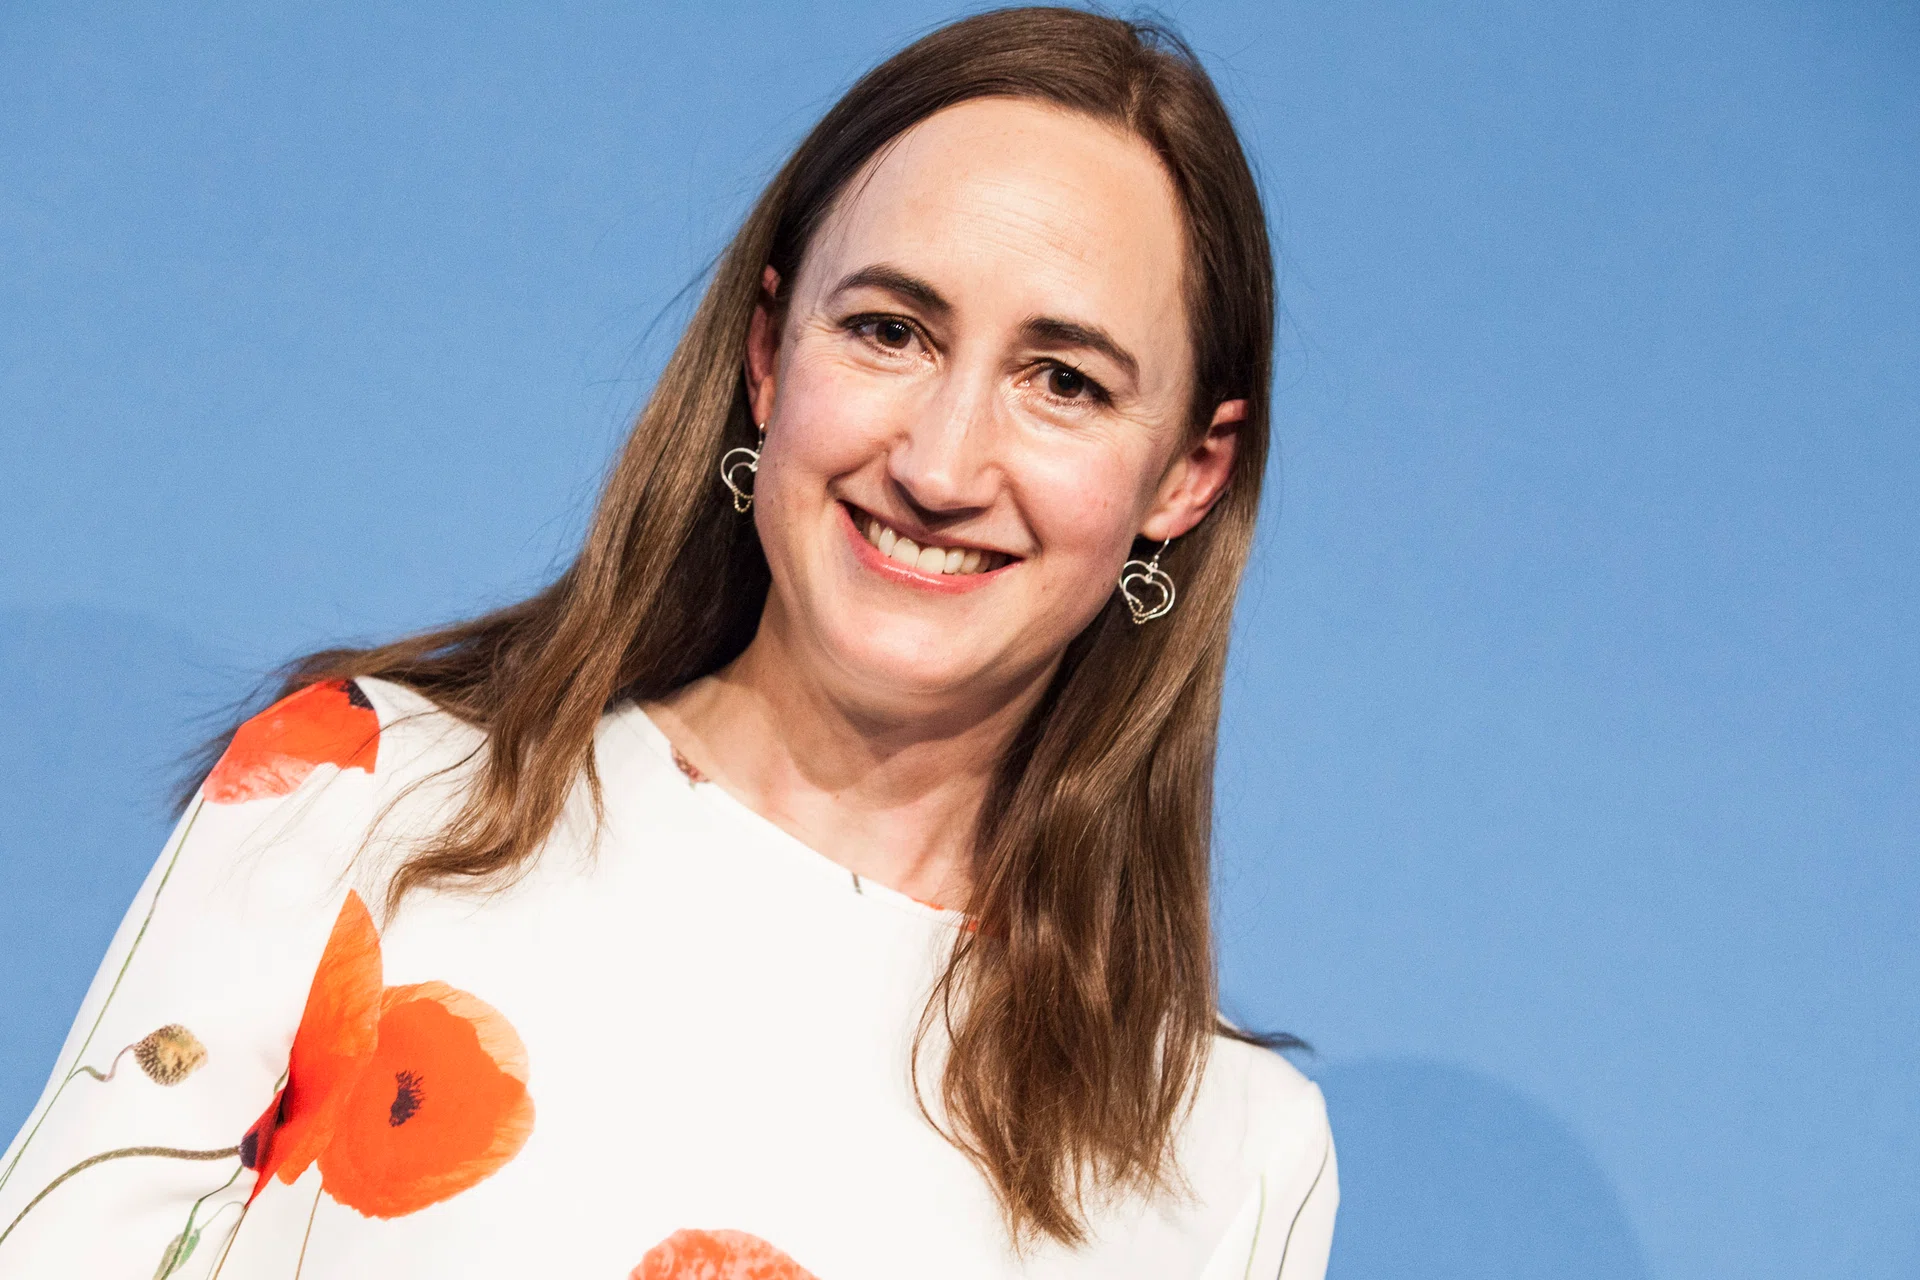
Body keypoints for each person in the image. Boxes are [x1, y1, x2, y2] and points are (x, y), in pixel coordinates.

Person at [0, 8, 1336, 1277]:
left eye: (1064, 382)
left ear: (1187, 475)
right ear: (768, 356)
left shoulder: (1232, 1155)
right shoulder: (363, 799)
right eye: (888, 332)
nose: (940, 466)